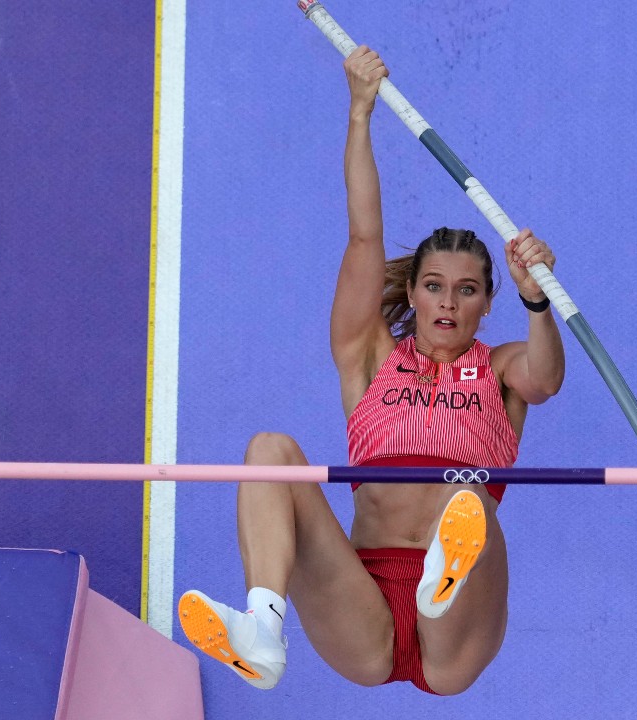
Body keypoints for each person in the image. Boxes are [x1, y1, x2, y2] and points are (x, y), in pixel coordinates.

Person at [178, 45, 564, 696]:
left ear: (488, 303)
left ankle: (447, 580)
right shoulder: (370, 358)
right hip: (366, 613)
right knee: (268, 451)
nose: (448, 300)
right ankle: (262, 629)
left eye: (467, 290)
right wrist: (360, 113)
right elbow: (365, 236)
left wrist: (538, 298)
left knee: (469, 506)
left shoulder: (501, 370)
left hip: (458, 640)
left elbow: (547, 379)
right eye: (434, 285)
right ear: (411, 294)